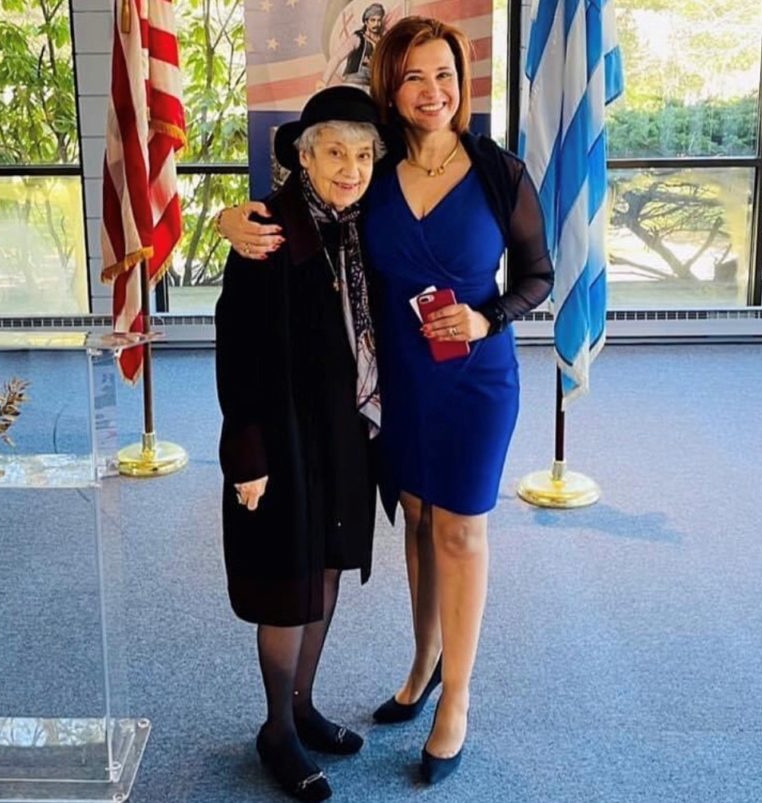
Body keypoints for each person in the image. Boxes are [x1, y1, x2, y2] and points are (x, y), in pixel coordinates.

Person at [218, 17, 553, 785]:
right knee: (417, 522)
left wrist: (488, 316)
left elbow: (538, 274)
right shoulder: (378, 164)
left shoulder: (498, 173)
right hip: (395, 383)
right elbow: (303, 207)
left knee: (460, 530)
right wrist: (229, 218)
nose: (433, 91)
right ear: (391, 90)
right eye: (414, 77)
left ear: (462, 83)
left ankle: (456, 698)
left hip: (473, 379)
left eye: (445, 74)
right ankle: (422, 663)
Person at [214, 85, 390, 802]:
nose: (351, 168)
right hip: (283, 437)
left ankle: (305, 704)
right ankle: (276, 730)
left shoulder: (365, 225)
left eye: (363, 155)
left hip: (344, 433)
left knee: (326, 569)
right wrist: (246, 455)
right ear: (305, 158)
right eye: (335, 153)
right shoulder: (267, 231)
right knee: (288, 585)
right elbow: (238, 354)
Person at [320, 3, 385, 88]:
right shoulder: (357, 38)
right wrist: (324, 80)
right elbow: (337, 57)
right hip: (354, 84)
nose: (376, 24)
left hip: (371, 87)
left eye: (379, 20)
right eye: (373, 20)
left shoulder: (382, 42)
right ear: (366, 21)